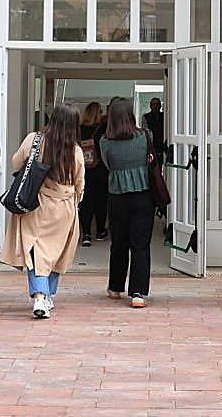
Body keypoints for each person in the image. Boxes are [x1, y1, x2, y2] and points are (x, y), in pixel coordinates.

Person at [0, 102, 85, 319]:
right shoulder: (75, 150)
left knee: (36, 252)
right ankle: (47, 296)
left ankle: (40, 296)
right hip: (64, 208)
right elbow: (79, 184)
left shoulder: (34, 140)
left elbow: (15, 162)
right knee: (57, 253)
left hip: (36, 204)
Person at [98, 97, 156, 308]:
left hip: (117, 196)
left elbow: (107, 165)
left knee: (119, 244)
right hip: (143, 196)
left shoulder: (105, 141)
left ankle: (115, 287)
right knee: (140, 246)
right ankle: (138, 293)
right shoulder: (145, 136)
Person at [78, 102, 109, 246]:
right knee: (101, 202)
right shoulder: (103, 128)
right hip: (101, 169)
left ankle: (86, 234)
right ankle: (101, 231)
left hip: (84, 169)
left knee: (86, 202)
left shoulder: (80, 129)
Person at [142, 98, 166, 170]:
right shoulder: (146, 117)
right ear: (150, 106)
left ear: (160, 106)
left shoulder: (164, 116)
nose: (155, 106)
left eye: (157, 104)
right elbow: (145, 131)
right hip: (151, 145)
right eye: (153, 104)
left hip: (163, 144)